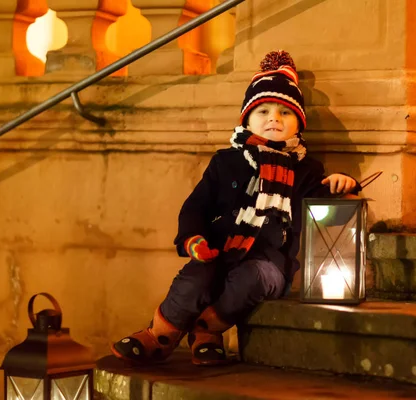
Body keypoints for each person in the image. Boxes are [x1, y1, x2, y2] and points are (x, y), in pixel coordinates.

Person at [111, 50, 361, 366]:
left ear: (299, 122)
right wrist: (194, 239)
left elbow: (322, 206)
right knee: (196, 278)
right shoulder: (226, 162)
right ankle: (158, 336)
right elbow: (196, 206)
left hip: (268, 261)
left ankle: (207, 330)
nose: (274, 118)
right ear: (246, 118)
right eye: (264, 111)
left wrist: (343, 184)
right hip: (220, 247)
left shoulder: (306, 170)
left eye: (285, 112)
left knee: (253, 279)